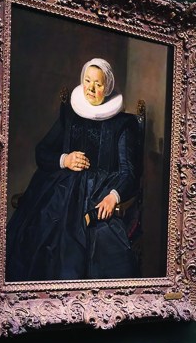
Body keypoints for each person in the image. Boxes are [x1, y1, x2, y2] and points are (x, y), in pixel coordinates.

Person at [7, 58, 141, 281]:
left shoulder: (122, 125)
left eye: (98, 84)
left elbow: (129, 173)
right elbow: (42, 152)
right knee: (41, 235)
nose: (91, 88)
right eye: (88, 81)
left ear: (106, 87)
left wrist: (113, 197)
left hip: (98, 192)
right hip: (61, 190)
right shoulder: (70, 114)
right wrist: (65, 160)